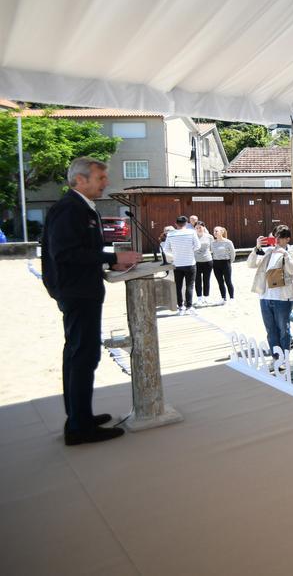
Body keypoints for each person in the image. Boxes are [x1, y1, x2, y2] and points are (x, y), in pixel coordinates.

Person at [41, 157, 139, 445]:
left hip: (81, 288)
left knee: (78, 354)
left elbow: (82, 251)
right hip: (77, 292)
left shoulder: (82, 207)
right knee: (83, 356)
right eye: (100, 177)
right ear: (80, 180)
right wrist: (113, 258)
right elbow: (66, 254)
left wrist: (109, 265)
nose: (106, 182)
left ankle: (79, 416)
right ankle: (79, 428)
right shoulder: (69, 208)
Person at [249, 225, 293, 356]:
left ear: (287, 239)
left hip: (283, 296)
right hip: (265, 296)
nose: (277, 240)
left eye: (280, 237)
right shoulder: (269, 251)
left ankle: (285, 359)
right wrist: (257, 248)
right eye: (275, 236)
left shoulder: (291, 251)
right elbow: (251, 264)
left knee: (283, 329)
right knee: (271, 330)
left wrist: (285, 254)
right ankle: (277, 358)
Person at [163, 215, 200, 314]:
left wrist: (174, 255)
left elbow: (166, 249)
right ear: (186, 223)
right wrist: (190, 251)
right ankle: (189, 306)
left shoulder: (171, 234)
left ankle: (180, 307)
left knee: (178, 286)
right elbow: (198, 246)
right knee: (189, 285)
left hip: (177, 263)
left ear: (176, 224)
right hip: (190, 262)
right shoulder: (192, 232)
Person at [210, 226, 235, 303]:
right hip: (216, 263)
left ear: (222, 232)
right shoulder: (213, 243)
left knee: (228, 281)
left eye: (217, 231)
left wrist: (229, 262)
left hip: (225, 263)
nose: (215, 233)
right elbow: (212, 253)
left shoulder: (228, 242)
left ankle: (231, 298)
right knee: (220, 281)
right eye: (214, 231)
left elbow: (233, 253)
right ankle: (223, 298)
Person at [193, 221, 214, 305]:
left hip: (207, 260)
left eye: (200, 227)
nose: (199, 229)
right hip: (196, 261)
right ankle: (199, 298)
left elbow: (212, 248)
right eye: (197, 228)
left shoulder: (209, 237)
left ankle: (206, 297)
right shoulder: (192, 237)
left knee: (206, 279)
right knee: (197, 280)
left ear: (204, 227)